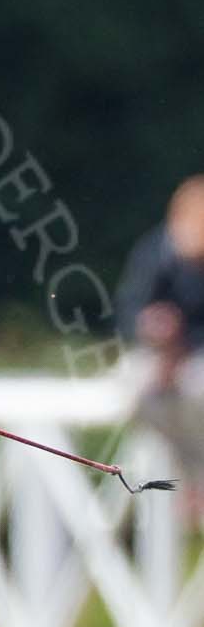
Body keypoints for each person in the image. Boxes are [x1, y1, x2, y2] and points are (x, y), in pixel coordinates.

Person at [117, 174, 204, 501]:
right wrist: (152, 332)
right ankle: (185, 477)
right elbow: (130, 310)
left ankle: (195, 479)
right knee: (133, 382)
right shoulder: (156, 252)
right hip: (159, 358)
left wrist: (183, 346)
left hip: (195, 355)